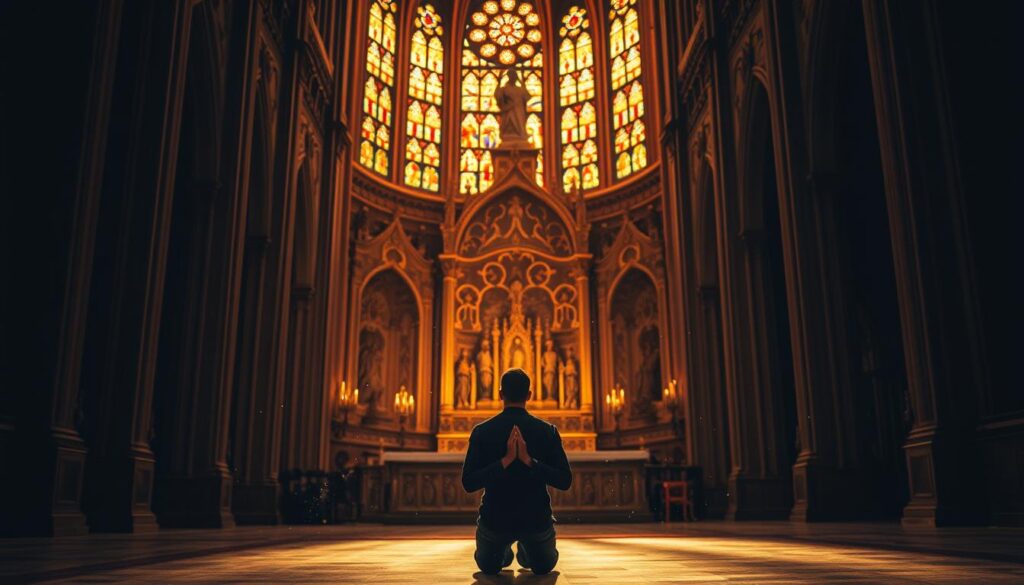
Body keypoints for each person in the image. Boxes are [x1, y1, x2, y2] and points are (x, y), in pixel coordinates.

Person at [462, 368, 573, 576]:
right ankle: (525, 549)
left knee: (489, 567)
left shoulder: (482, 432)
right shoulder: (546, 431)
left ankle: (511, 550)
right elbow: (565, 480)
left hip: (495, 521)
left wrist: (503, 462)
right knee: (543, 567)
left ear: (500, 394)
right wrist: (530, 462)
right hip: (535, 520)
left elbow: (468, 483)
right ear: (529, 395)